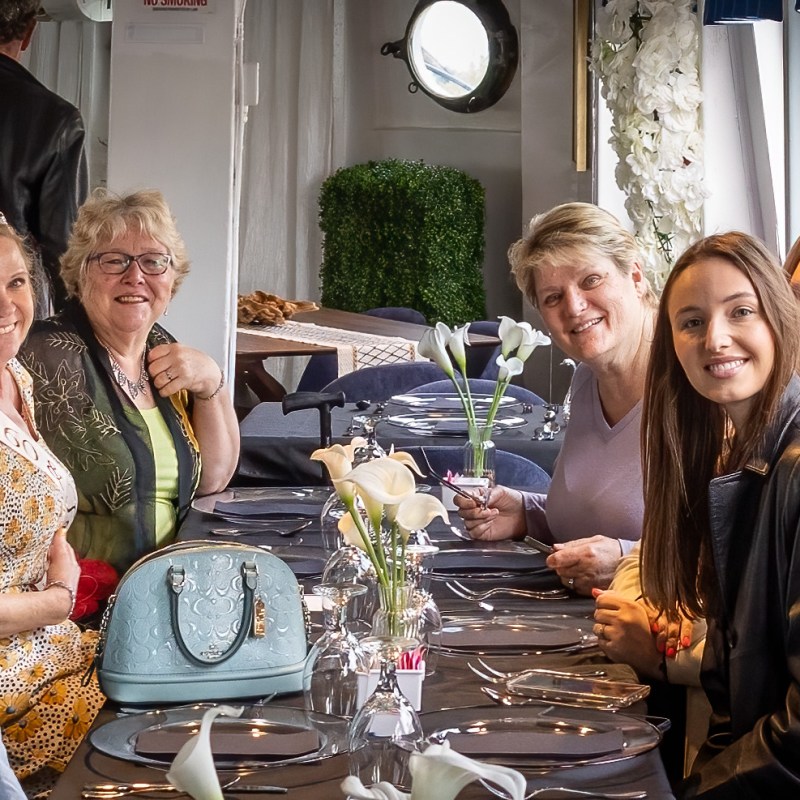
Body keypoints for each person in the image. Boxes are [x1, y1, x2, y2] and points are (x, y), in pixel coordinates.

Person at [637, 231, 800, 796]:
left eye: (741, 312)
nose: (717, 339)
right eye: (692, 322)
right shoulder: (739, 455)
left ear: (780, 318)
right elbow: (733, 703)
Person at [20, 189, 240, 575]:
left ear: (172, 280)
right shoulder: (41, 354)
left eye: (154, 262)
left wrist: (212, 385)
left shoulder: (163, 350)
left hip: (166, 590)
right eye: (114, 260)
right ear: (81, 274)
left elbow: (211, 481)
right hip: (76, 604)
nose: (135, 276)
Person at [456, 202, 656, 594]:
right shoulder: (586, 378)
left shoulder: (699, 380)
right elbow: (600, 517)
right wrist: (526, 514)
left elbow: (741, 546)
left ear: (634, 276)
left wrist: (628, 561)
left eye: (591, 280)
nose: (575, 307)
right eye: (552, 297)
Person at [0, 215, 104, 798]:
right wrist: (58, 601)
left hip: (55, 649)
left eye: (16, 282)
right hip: (15, 687)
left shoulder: (17, 377)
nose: (7, 304)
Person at [0, 0, 88, 313]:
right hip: (8, 310)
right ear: (28, 31)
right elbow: (64, 249)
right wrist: (74, 337)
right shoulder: (55, 119)